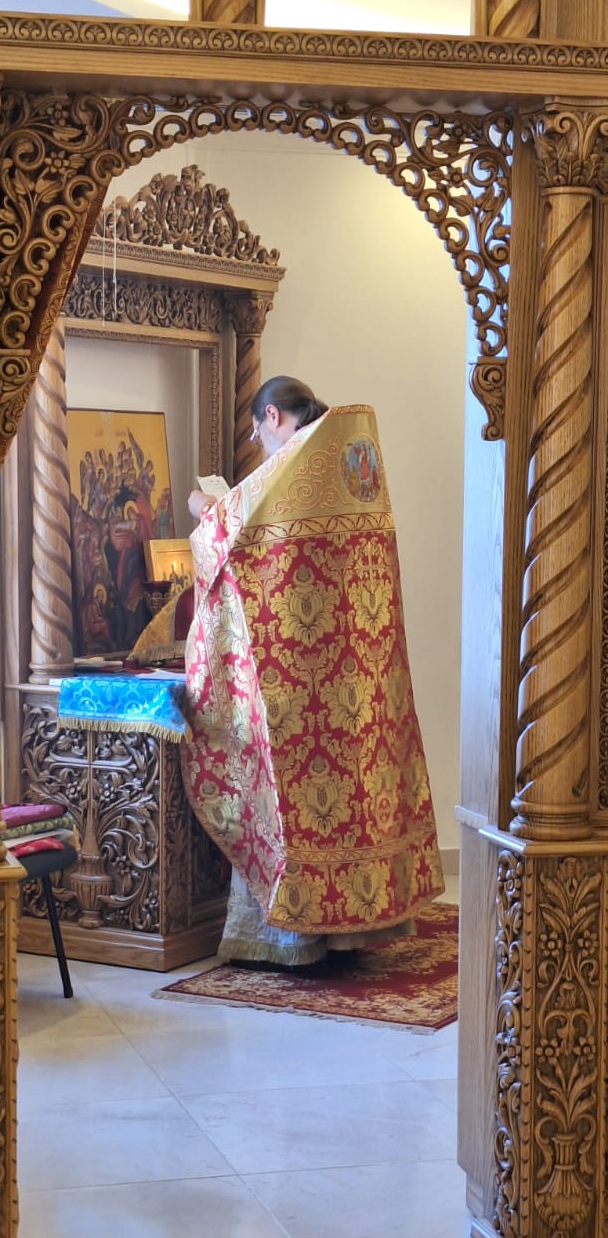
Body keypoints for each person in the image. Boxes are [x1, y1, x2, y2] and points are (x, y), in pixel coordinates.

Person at [181, 375, 444, 969]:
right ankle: (360, 927)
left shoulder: (296, 462)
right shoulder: (350, 452)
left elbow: (227, 538)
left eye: (258, 431)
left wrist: (201, 507)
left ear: (273, 417)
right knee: (356, 791)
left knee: (294, 799)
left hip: (296, 676)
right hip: (358, 674)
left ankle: (296, 939)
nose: (260, 443)